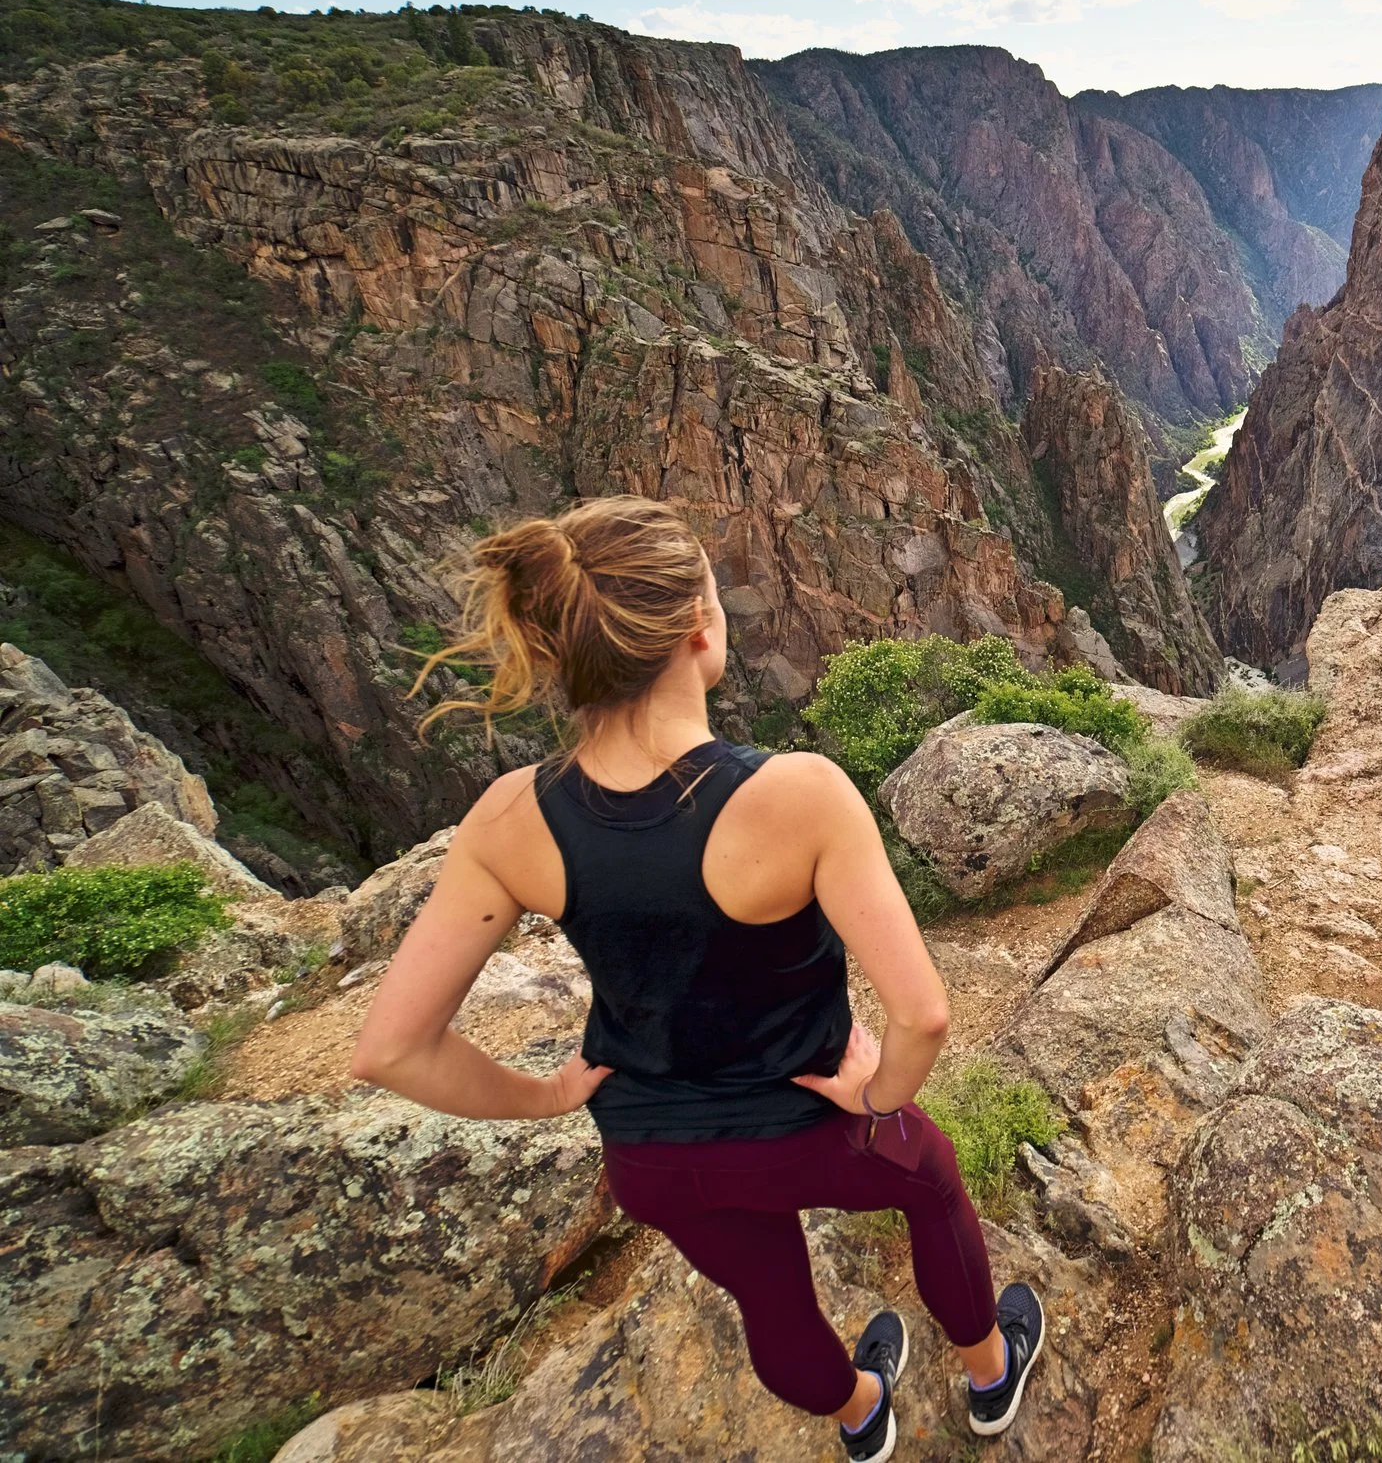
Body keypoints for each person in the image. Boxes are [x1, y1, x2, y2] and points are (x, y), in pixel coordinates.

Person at [349, 496, 1043, 1463]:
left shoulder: (512, 816)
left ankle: (859, 1409)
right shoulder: (797, 795)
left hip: (654, 1159)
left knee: (771, 1301)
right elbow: (921, 1014)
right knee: (930, 1185)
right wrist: (876, 1096)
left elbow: (388, 1047)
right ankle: (988, 1372)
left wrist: (548, 1095)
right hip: (812, 1126)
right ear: (696, 630)